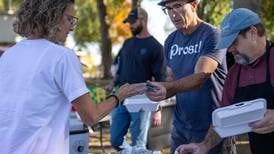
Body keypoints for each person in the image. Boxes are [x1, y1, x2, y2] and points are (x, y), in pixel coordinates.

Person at [0, 0, 145, 153]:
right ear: (52, 15)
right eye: (69, 19)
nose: (71, 26)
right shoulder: (62, 56)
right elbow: (91, 116)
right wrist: (119, 95)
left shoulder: (8, 55)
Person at [175, 8, 274, 154]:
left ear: (253, 33)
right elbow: (223, 122)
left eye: (234, 42)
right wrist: (203, 146)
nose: (230, 49)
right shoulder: (234, 75)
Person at [147, 0, 228, 153]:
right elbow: (171, 80)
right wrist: (156, 93)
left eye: (177, 6)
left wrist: (167, 87)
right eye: (168, 8)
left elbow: (200, 77)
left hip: (212, 128)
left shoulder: (213, 35)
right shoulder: (170, 41)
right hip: (181, 127)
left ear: (194, 5)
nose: (172, 13)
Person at [106, 7, 165, 152]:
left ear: (143, 20)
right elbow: (119, 69)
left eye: (133, 22)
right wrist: (112, 84)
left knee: (138, 144)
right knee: (115, 140)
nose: (130, 25)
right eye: (129, 22)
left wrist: (158, 108)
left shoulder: (156, 47)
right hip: (120, 98)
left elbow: (160, 80)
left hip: (142, 100)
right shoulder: (127, 44)